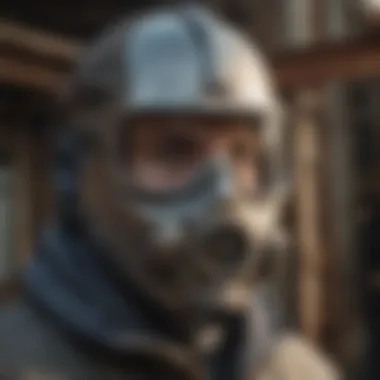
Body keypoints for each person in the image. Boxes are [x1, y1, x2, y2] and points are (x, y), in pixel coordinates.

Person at [0, 4, 339, 380]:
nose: (224, 193)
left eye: (242, 153)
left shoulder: (297, 370)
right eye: (174, 150)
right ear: (81, 173)